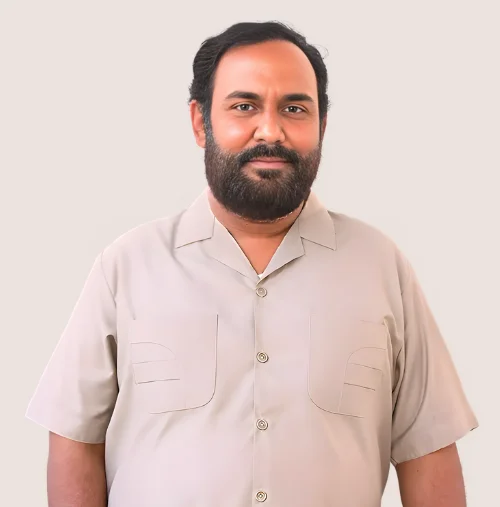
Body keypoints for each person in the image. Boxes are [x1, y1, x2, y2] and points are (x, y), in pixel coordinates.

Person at [26, 21, 478, 507]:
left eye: (295, 108)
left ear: (323, 125)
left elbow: (428, 451)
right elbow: (75, 439)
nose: (270, 131)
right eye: (244, 106)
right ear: (200, 122)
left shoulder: (381, 268)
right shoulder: (127, 266)